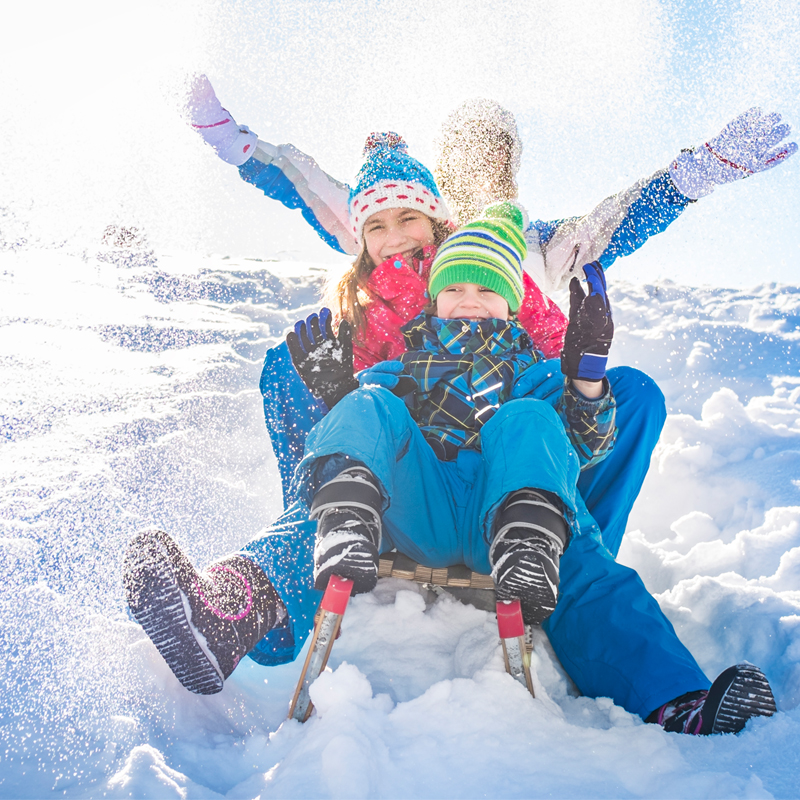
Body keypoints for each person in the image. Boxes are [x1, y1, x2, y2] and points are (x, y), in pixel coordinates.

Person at [124, 209, 776, 736]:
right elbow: (374, 430)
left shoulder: (541, 374)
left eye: (485, 289)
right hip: (426, 512)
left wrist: (583, 382)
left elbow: (590, 444)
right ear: (435, 301)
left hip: (522, 521)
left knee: (543, 455)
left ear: (512, 303)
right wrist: (341, 404)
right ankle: (228, 614)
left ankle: (677, 700)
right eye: (454, 288)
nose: (468, 300)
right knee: (367, 412)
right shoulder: (399, 368)